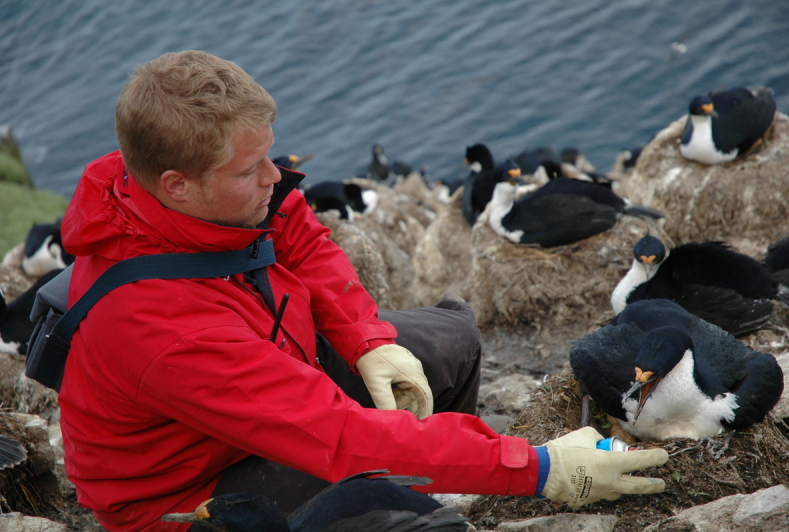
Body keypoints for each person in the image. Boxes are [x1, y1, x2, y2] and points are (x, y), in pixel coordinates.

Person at [57, 51, 668, 532]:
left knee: (451, 340)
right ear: (178, 185)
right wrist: (539, 468)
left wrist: (367, 338)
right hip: (193, 494)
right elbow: (340, 437)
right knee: (397, 514)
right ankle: (438, 491)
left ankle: (446, 475)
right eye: (251, 171)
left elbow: (296, 230)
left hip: (264, 384)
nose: (276, 178)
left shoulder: (160, 182)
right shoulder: (159, 329)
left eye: (268, 157)